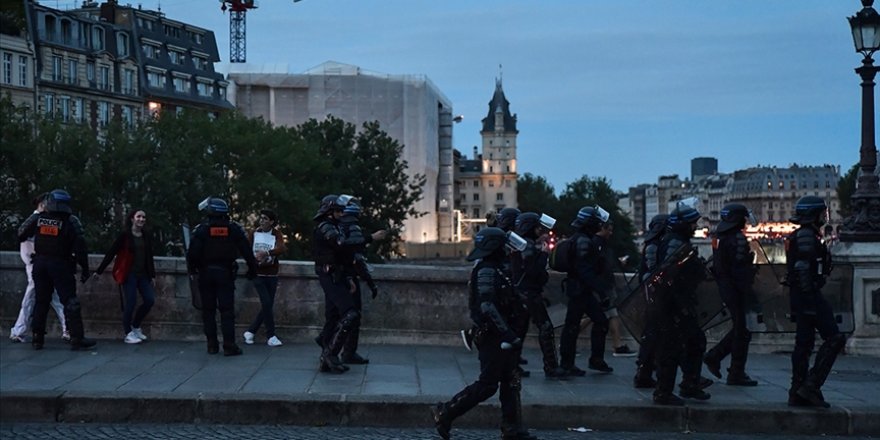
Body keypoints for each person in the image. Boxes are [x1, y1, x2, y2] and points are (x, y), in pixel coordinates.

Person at [431, 227, 538, 440]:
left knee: (512, 380)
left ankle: (512, 428)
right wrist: (508, 334)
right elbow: (488, 306)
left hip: (503, 333)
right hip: (493, 335)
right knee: (488, 384)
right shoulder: (487, 270)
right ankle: (445, 412)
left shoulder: (497, 267)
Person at [313, 194, 384, 373]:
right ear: (329, 211)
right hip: (329, 274)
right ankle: (330, 354)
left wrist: (348, 278)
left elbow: (344, 257)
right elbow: (342, 245)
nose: (341, 213)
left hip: (337, 275)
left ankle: (328, 353)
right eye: (337, 210)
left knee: (338, 315)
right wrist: (371, 238)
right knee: (349, 313)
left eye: (341, 210)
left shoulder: (334, 225)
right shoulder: (325, 226)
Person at [786, 196, 846, 408]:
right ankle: (810, 386)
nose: (824, 217)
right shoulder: (806, 236)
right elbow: (803, 269)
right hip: (809, 297)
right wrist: (811, 301)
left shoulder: (805, 234)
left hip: (803, 297)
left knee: (804, 344)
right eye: (822, 213)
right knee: (834, 338)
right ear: (814, 215)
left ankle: (798, 390)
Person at [17, 189, 95, 351]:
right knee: (70, 301)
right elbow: (81, 247)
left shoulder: (39, 219)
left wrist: (37, 214)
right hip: (61, 265)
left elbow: (21, 233)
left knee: (41, 301)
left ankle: (37, 338)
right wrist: (85, 268)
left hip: (40, 263)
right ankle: (76, 337)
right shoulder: (70, 221)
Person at [651, 205, 710, 405]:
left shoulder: (675, 241)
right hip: (673, 304)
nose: (695, 226)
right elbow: (670, 275)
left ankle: (688, 385)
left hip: (676, 302)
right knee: (671, 348)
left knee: (693, 342)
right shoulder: (675, 244)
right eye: (692, 223)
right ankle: (665, 391)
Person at [186, 196, 258, 356]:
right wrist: (252, 270)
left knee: (208, 311)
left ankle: (212, 345)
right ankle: (229, 345)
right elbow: (247, 251)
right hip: (225, 273)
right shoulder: (233, 229)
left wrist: (194, 269)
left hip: (206, 274)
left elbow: (192, 254)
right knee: (227, 311)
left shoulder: (202, 230)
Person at [704, 203, 759, 386]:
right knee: (743, 330)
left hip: (724, 286)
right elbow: (740, 270)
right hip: (737, 289)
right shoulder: (738, 239)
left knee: (740, 329)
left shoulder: (720, 237)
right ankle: (734, 370)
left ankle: (718, 358)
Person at [558, 205, 614, 376]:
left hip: (580, 290)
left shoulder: (581, 239)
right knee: (573, 326)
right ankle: (569, 363)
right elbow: (584, 270)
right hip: (580, 290)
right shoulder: (583, 241)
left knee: (594, 322)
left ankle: (590, 360)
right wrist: (601, 291)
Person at [510, 212, 567, 379]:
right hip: (529, 293)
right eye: (537, 228)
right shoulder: (527, 245)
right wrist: (543, 254)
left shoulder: (521, 243)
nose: (540, 231)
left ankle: (512, 367)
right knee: (545, 328)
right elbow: (533, 270)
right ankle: (551, 367)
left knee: (519, 330)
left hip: (522, 293)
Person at [10, 193, 69, 343]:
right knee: (43, 298)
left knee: (40, 298)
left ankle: (20, 330)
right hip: (38, 264)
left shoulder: (37, 220)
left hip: (38, 264)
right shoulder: (39, 220)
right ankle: (66, 328)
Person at [95, 209, 157, 344]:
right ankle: (128, 332)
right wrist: (99, 270)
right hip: (129, 274)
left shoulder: (146, 235)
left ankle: (135, 326)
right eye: (139, 217)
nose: (141, 219)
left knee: (149, 299)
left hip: (143, 274)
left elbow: (149, 256)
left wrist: (152, 275)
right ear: (132, 219)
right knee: (131, 302)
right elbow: (111, 252)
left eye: (143, 217)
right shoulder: (125, 236)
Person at [336, 201, 386, 364]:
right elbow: (356, 258)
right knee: (352, 317)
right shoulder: (352, 228)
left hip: (338, 277)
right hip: (347, 278)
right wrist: (370, 283)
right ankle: (346, 352)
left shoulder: (338, 228)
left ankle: (332, 348)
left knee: (338, 317)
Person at [632, 214, 668, 388]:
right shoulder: (654, 246)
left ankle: (644, 371)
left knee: (652, 335)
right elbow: (655, 271)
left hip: (651, 294)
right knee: (654, 335)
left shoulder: (651, 243)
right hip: (655, 295)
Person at [243, 208, 288, 347]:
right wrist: (254, 260)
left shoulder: (276, 234)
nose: (261, 221)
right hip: (258, 274)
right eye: (261, 218)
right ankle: (271, 335)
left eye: (265, 219)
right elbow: (246, 249)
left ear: (272, 222)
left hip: (272, 274)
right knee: (267, 303)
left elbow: (282, 248)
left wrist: (267, 253)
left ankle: (250, 331)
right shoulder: (254, 233)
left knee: (267, 305)